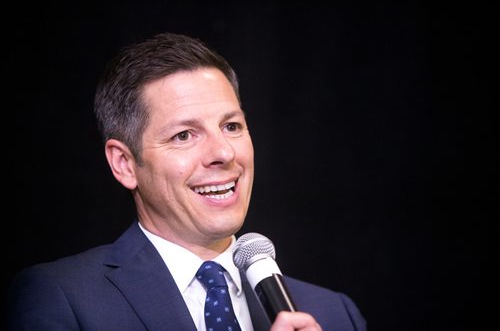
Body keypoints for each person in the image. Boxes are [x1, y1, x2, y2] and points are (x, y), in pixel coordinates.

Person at [7, 32, 366, 331]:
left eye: (232, 126)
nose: (223, 152)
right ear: (125, 163)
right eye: (184, 135)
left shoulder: (333, 314)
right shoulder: (64, 298)